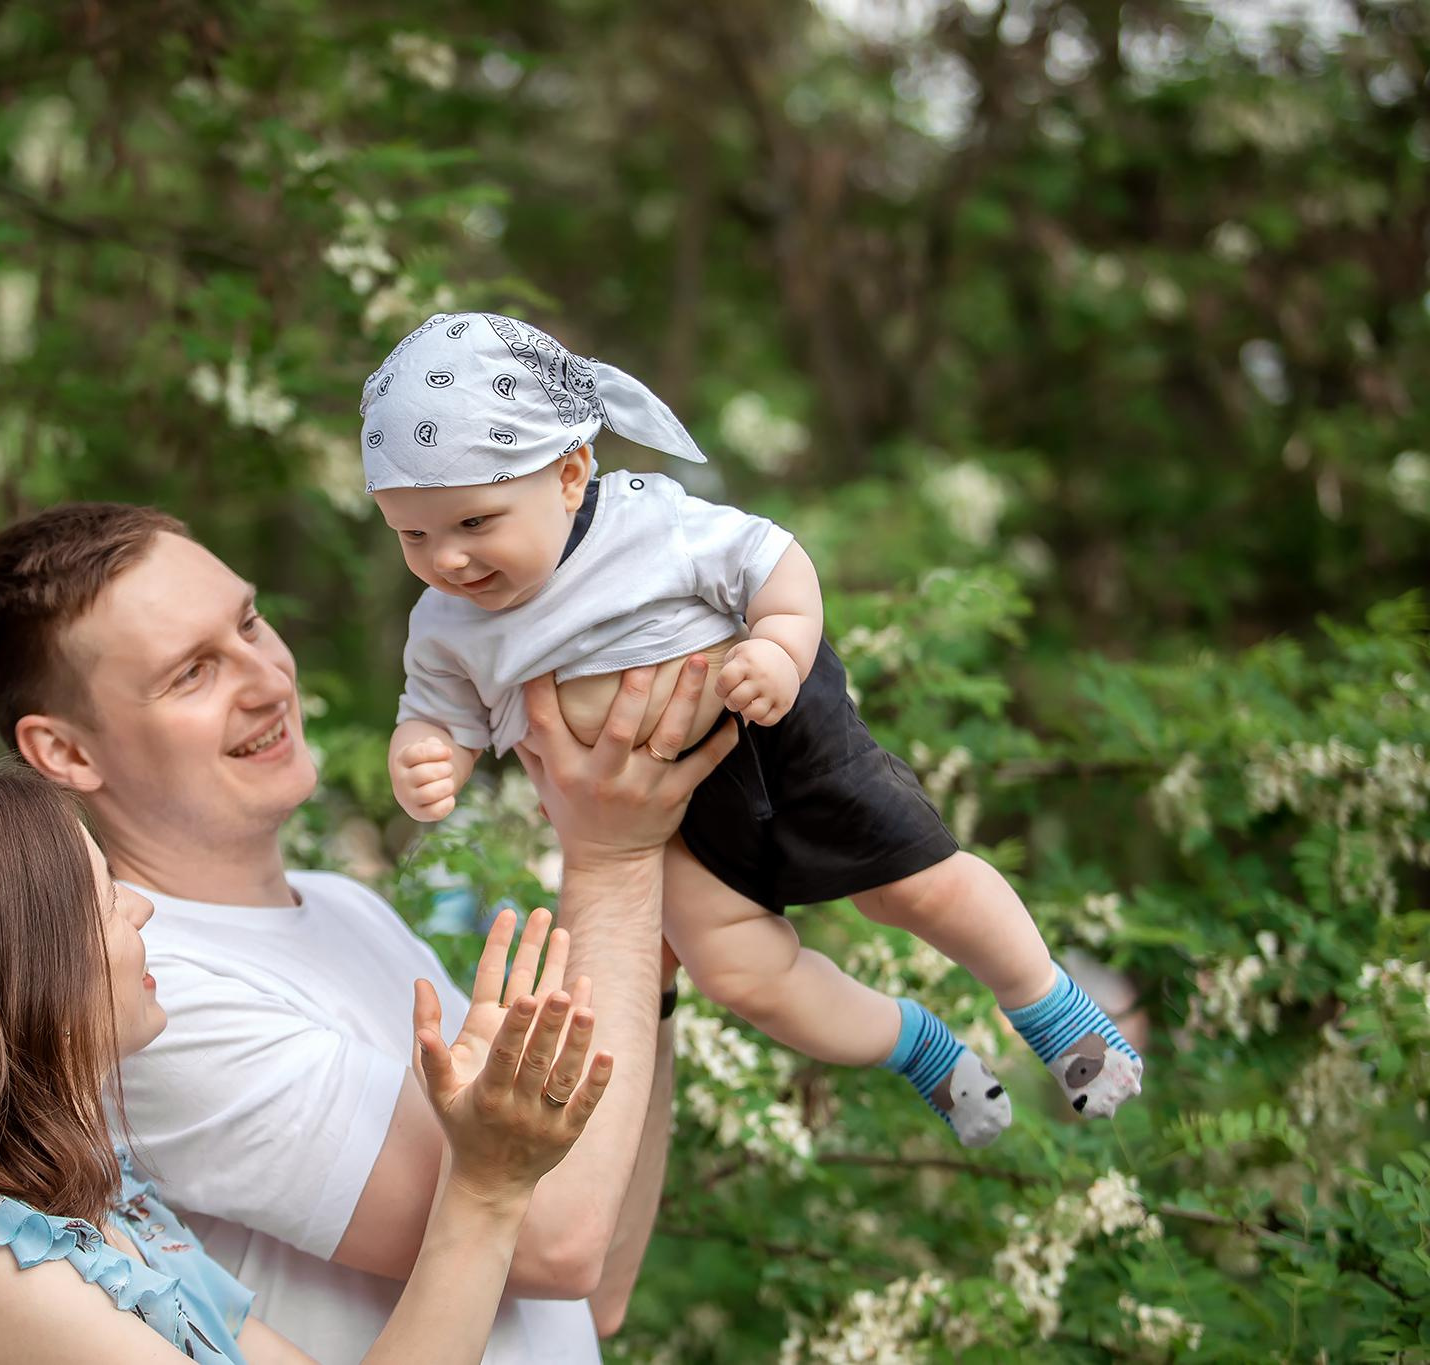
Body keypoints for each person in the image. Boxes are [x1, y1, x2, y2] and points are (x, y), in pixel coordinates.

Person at [0, 504, 730, 1361]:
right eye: (192, 673)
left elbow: (601, 1276)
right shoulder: (145, 997)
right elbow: (554, 1236)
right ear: (66, 753)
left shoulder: (346, 908)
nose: (267, 679)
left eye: (249, 622)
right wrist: (614, 860)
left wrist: (645, 960)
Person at [362, 310, 1145, 1148]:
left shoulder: (647, 521)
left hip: (771, 731)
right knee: (740, 973)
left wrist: (778, 644)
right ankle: (918, 1047)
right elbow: (437, 714)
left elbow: (773, 562)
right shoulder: (445, 624)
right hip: (657, 826)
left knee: (912, 885)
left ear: (570, 472)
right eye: (414, 534)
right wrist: (426, 756)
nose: (446, 559)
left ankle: (1053, 1009)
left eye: (475, 523)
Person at [0, 764, 613, 1363]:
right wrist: (485, 1185)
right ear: (15, 973)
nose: (141, 907)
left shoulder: (112, 1211)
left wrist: (487, 1172)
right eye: (105, 895)